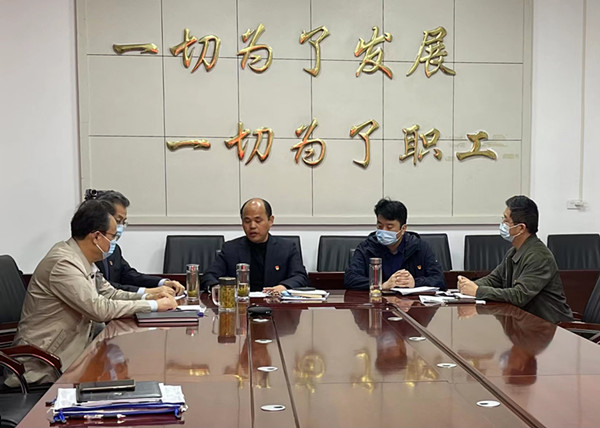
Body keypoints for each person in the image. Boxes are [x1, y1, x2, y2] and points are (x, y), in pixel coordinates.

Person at [12, 199, 177, 384]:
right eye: (112, 237)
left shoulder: (83, 260)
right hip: (44, 364)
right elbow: (98, 310)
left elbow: (110, 293)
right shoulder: (63, 263)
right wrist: (152, 305)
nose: (113, 243)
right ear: (97, 236)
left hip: (75, 354)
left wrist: (149, 296)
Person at [457, 195, 573, 324]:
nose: (502, 224)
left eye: (506, 220)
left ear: (521, 228)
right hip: (526, 323)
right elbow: (494, 279)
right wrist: (468, 285)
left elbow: (519, 296)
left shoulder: (540, 257)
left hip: (551, 327)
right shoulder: (513, 252)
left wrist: (478, 291)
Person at [87, 189, 184, 296]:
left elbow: (128, 275)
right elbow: (104, 288)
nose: (120, 226)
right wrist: (147, 292)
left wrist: (162, 283)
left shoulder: (114, 249)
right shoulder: (89, 250)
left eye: (123, 222)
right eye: (118, 221)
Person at [201, 198, 309, 293]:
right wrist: (216, 287)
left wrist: (283, 287)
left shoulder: (287, 248)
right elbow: (209, 276)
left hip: (275, 304)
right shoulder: (230, 248)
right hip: (241, 305)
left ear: (270, 221)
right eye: (247, 221)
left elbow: (300, 276)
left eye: (258, 220)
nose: (252, 226)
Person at [344, 198, 446, 290]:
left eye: (389, 227)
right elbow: (350, 279)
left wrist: (415, 283)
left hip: (410, 303)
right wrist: (381, 285)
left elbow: (439, 279)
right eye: (380, 226)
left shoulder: (419, 247)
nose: (383, 231)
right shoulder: (367, 247)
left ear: (403, 229)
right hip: (377, 301)